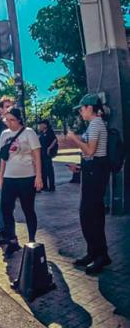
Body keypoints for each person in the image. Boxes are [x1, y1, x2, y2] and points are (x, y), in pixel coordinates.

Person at [66, 93, 111, 274]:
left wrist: (74, 139)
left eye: (82, 109)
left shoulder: (96, 124)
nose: (80, 112)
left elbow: (91, 151)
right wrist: (80, 167)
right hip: (92, 171)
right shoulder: (95, 124)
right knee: (90, 215)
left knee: (91, 215)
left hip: (96, 173)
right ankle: (94, 253)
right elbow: (92, 154)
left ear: (90, 108)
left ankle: (100, 255)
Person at [0, 108, 43, 254]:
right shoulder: (4, 134)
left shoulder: (29, 133)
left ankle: (31, 240)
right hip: (9, 178)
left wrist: (39, 176)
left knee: (28, 209)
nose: (9, 123)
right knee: (6, 209)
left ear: (19, 120)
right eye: (7, 120)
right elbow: (3, 158)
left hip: (27, 177)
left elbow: (37, 156)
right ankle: (12, 240)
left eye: (12, 120)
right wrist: (1, 177)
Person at [37, 119, 58, 192]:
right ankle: (44, 186)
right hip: (42, 154)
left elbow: (55, 140)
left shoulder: (50, 132)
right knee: (43, 170)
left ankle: (52, 186)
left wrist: (49, 148)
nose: (39, 126)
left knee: (49, 170)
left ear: (45, 125)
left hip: (47, 154)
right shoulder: (42, 133)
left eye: (41, 124)